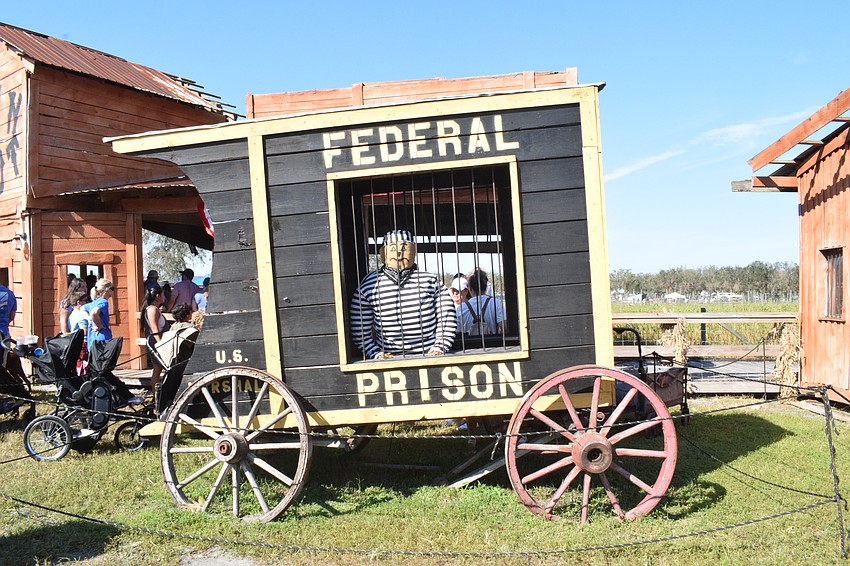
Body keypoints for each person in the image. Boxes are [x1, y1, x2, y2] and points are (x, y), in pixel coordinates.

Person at [350, 229, 456, 359]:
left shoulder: (431, 281)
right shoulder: (369, 285)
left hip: (430, 355)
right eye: (393, 248)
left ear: (413, 250)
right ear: (384, 252)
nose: (399, 252)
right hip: (388, 358)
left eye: (405, 247)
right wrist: (375, 353)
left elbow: (447, 316)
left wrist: (440, 346)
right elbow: (359, 327)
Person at [457, 268, 505, 336]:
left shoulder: (461, 309)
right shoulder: (496, 303)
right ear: (485, 287)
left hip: (470, 345)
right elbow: (504, 327)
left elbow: (457, 332)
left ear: (469, 288)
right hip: (492, 344)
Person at [141, 286, 168, 392]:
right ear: (158, 296)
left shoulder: (153, 309)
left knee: (158, 369)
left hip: (157, 342)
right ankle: (155, 397)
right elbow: (154, 329)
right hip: (157, 343)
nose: (164, 297)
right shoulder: (152, 309)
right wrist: (160, 344)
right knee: (157, 370)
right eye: (163, 294)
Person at [83, 278, 114, 349]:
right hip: (102, 337)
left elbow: (83, 308)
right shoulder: (104, 302)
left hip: (92, 338)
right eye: (112, 288)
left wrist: (89, 319)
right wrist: (99, 325)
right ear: (107, 289)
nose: (113, 291)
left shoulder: (93, 303)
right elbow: (94, 313)